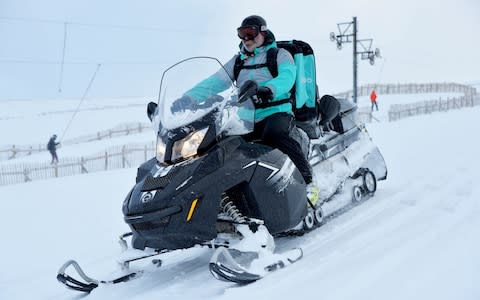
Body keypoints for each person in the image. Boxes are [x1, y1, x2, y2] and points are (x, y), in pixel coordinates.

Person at [174, 15, 319, 204]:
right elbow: (214, 82)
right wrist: (188, 98)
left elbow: (287, 77)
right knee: (221, 147)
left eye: (250, 33)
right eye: (242, 34)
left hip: (275, 111)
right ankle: (227, 194)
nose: (246, 39)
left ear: (263, 33)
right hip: (245, 117)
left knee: (275, 134)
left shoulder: (280, 55)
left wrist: (268, 89)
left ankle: (309, 182)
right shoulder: (238, 61)